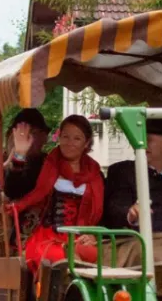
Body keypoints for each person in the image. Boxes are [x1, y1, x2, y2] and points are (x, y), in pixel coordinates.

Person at [11, 114, 105, 275]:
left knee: (95, 255)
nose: (69, 143)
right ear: (59, 137)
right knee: (60, 259)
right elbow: (14, 189)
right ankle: (58, 294)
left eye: (77, 138)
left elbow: (102, 212)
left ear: (86, 143)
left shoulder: (95, 173)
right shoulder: (44, 165)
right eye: (65, 136)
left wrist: (92, 234)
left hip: (78, 237)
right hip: (47, 237)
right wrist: (19, 155)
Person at [102, 119, 162, 265]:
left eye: (148, 139)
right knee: (158, 257)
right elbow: (115, 207)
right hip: (137, 241)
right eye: (138, 140)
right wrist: (131, 214)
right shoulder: (123, 171)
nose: (142, 144)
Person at [0, 108, 52, 210]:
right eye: (23, 133)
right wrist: (9, 164)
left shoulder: (47, 161)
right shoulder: (1, 159)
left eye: (33, 133)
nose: (27, 139)